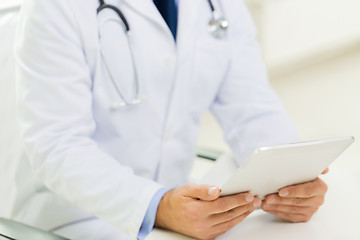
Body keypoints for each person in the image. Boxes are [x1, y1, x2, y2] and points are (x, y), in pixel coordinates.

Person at [11, 0, 328, 239]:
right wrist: (156, 205)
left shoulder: (219, 5)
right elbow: (57, 145)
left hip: (182, 218)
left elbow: (252, 108)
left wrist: (289, 178)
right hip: (72, 222)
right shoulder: (54, 6)